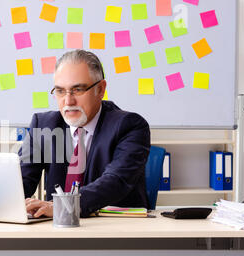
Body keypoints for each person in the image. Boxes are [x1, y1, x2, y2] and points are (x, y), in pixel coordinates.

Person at [19, 49, 151, 218]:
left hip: (115, 231)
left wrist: (62, 206)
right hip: (57, 230)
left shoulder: (130, 126)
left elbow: (115, 181)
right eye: (60, 91)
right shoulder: (44, 125)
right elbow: (21, 182)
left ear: (101, 89)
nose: (68, 101)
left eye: (78, 90)